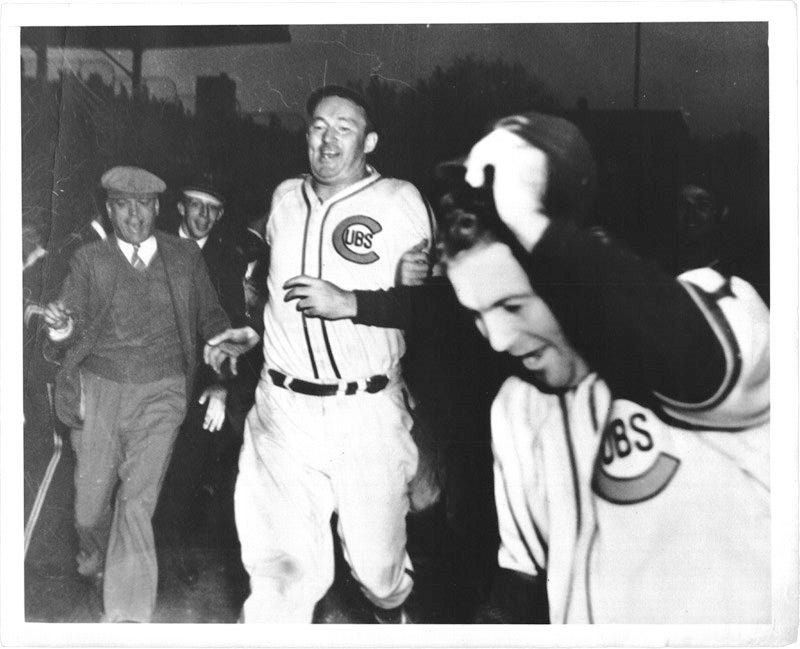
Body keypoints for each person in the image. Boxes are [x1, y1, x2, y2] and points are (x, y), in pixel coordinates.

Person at [437, 112, 770, 623]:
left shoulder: (723, 313)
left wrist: (533, 226)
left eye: (513, 306)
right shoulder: (514, 407)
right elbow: (524, 570)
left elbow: (690, 349)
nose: (499, 340)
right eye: (477, 314)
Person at [205, 85, 435, 623]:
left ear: (370, 141)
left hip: (366, 408)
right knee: (279, 578)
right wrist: (253, 332)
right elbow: (271, 287)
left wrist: (353, 302)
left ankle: (393, 609)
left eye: (344, 128)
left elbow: (434, 310)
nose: (328, 139)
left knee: (377, 569)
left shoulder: (400, 201)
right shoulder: (284, 198)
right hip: (284, 408)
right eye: (318, 126)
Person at [41, 166, 256, 623]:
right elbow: (66, 318)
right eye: (123, 205)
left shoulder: (184, 258)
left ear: (158, 207)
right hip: (98, 391)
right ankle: (95, 559)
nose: (135, 215)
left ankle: (127, 616)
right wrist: (61, 329)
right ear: (109, 209)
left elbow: (211, 315)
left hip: (162, 392)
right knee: (87, 509)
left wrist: (224, 339)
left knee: (137, 502)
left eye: (143, 205)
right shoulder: (90, 260)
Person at [153, 173, 251, 586]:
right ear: (181, 207)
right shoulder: (151, 246)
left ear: (221, 214)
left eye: (212, 208)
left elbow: (230, 329)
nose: (204, 215)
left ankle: (171, 550)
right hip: (149, 371)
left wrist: (220, 386)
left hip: (201, 377)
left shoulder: (228, 259)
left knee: (197, 445)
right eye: (196, 205)